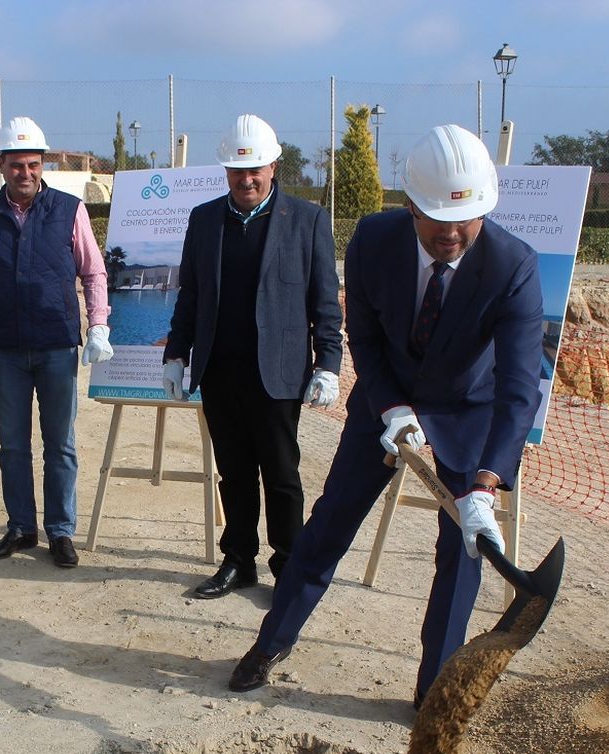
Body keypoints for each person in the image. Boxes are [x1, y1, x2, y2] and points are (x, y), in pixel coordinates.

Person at [230, 124, 544, 706]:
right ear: (409, 207)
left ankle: (433, 692)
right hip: (385, 399)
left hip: (468, 413)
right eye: (437, 219)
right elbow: (366, 336)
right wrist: (391, 405)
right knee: (330, 525)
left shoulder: (512, 267)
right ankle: (271, 642)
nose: (453, 233)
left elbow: (522, 386)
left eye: (467, 220)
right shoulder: (374, 240)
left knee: (460, 555)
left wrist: (486, 482)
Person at [162, 114, 344, 599]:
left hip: (278, 374)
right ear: (226, 172)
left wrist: (329, 363)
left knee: (282, 475)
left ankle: (289, 565)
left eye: (255, 170)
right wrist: (176, 354)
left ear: (273, 166)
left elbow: (325, 302)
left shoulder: (306, 221)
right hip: (220, 371)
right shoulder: (205, 220)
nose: (246, 179)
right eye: (237, 171)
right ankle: (238, 560)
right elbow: (191, 296)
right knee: (235, 473)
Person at [0, 116, 112, 569]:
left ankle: (60, 531)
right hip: (6, 348)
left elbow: (93, 271)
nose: (25, 173)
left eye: (33, 164)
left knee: (60, 443)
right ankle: (20, 526)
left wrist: (98, 324)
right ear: (2, 165)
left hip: (55, 346)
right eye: (16, 165)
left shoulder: (69, 210)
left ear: (42, 163)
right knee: (12, 444)